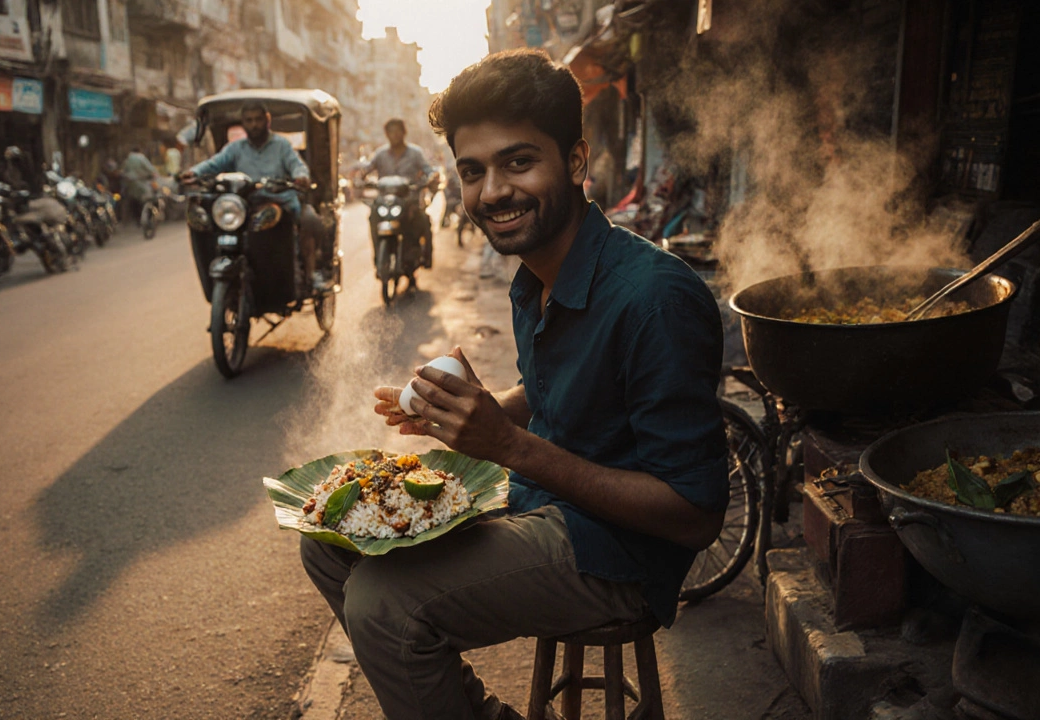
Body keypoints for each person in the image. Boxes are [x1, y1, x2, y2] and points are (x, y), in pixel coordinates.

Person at [300, 49, 729, 720]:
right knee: (330, 536)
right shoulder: (535, 276)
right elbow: (552, 390)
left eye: (518, 162)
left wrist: (506, 445)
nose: (492, 191)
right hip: (539, 498)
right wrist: (463, 416)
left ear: (577, 162)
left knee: (382, 606)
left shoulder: (655, 300)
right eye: (473, 171)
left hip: (620, 555)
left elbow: (695, 517)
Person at [179, 102, 328, 291]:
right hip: (245, 205)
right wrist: (193, 173)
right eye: (249, 120)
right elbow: (214, 164)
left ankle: (310, 273)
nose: (254, 124)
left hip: (279, 202)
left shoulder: (282, 145)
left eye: (258, 120)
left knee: (309, 220)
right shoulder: (235, 148)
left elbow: (296, 165)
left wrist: (301, 177)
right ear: (243, 123)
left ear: (267, 120)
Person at [363, 118, 436, 267]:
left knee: (423, 221)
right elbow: (367, 169)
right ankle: (378, 257)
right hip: (385, 201)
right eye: (391, 132)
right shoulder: (380, 154)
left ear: (404, 133)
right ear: (386, 134)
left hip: (409, 201)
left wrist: (432, 177)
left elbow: (428, 170)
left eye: (398, 131)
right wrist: (360, 176)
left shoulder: (415, 153)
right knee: (373, 217)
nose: (395, 135)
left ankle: (425, 257)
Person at [120, 146, 158, 220]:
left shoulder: (128, 159)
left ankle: (135, 217)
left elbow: (123, 170)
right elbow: (149, 168)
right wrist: (154, 173)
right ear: (139, 151)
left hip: (130, 182)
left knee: (133, 199)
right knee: (147, 197)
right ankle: (147, 216)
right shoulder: (141, 157)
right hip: (141, 181)